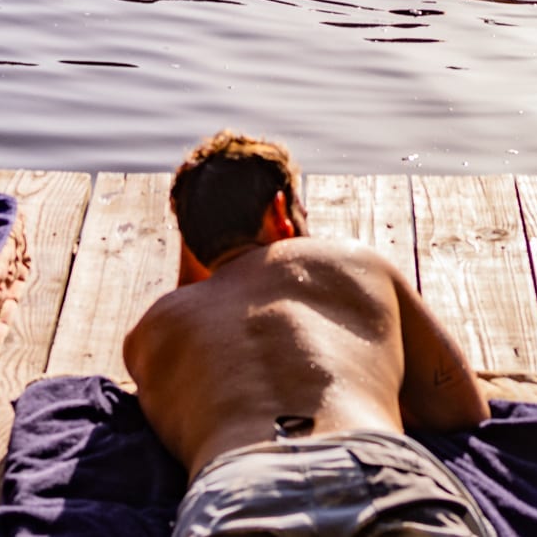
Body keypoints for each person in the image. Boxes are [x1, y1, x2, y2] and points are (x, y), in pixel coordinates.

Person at [124, 131, 494, 537]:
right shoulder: (356, 263)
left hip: (237, 490)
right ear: (279, 211)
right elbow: (462, 412)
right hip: (375, 469)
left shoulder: (153, 330)